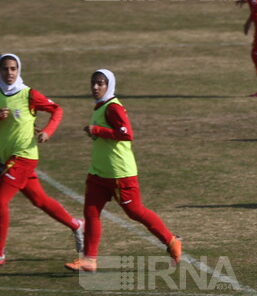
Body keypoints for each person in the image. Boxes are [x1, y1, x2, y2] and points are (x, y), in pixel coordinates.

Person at [65, 70, 181, 272]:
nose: (95, 87)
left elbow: (126, 134)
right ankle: (89, 260)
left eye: (100, 83)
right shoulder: (101, 107)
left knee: (135, 212)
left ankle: (171, 241)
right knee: (91, 213)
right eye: (93, 83)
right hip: (99, 172)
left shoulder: (113, 108)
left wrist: (97, 131)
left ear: (109, 85)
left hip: (119, 174)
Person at [0, 53, 84, 266]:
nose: (9, 73)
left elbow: (57, 110)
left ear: (19, 70)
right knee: (40, 200)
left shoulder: (28, 94)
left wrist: (47, 131)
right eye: (5, 69)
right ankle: (76, 225)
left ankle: (0, 253)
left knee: (0, 201)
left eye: (13, 68)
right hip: (6, 158)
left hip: (24, 157)